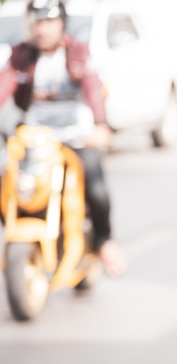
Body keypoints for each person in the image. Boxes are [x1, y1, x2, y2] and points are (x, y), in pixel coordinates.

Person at [0, 0, 126, 277]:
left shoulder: (78, 51)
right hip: (35, 140)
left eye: (48, 21)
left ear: (61, 24)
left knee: (95, 184)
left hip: (76, 138)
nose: (42, 29)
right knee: (6, 180)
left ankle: (104, 240)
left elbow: (93, 88)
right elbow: (4, 85)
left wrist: (101, 125)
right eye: (37, 22)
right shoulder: (21, 55)